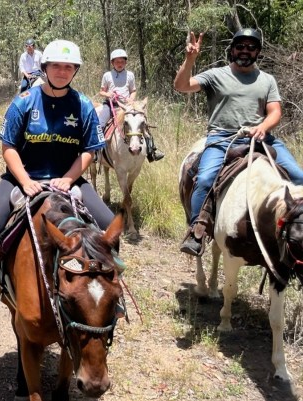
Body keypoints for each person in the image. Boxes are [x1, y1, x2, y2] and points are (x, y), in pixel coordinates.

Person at [0, 39, 113, 317]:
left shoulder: (83, 105)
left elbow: (89, 150)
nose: (62, 71)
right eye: (56, 66)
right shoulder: (24, 102)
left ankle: (107, 288)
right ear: (45, 67)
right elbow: (8, 148)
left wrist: (68, 178)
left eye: (68, 67)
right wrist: (25, 180)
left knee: (110, 227)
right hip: (23, 178)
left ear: (75, 70)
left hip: (69, 179)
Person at [174, 28, 303, 256]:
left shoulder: (267, 80)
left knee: (299, 177)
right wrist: (190, 59)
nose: (245, 51)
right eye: (240, 46)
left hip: (261, 137)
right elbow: (181, 86)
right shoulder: (216, 75)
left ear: (258, 52)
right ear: (232, 50)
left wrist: (262, 127)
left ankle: (294, 233)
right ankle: (197, 231)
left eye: (251, 47)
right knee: (204, 180)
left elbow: (274, 111)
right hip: (223, 138)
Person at [96, 49, 164, 162]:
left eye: (122, 61)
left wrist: (131, 99)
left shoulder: (130, 75)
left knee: (142, 122)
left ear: (125, 63)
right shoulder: (107, 75)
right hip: (110, 105)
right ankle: (96, 151)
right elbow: (101, 91)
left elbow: (133, 90)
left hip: (127, 106)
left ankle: (152, 150)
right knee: (100, 122)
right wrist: (108, 94)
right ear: (112, 63)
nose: (119, 64)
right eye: (117, 62)